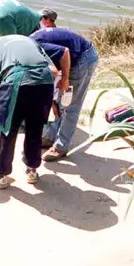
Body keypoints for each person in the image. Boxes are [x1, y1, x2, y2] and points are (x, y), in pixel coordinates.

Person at [0, 35, 56, 189]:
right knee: (35, 127)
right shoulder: (29, 41)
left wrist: (5, 103)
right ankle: (32, 170)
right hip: (45, 80)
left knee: (3, 126)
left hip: (17, 78)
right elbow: (53, 70)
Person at [29, 20, 100, 162]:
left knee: (71, 104)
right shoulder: (29, 47)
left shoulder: (36, 47)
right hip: (70, 57)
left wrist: (65, 80)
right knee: (60, 102)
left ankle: (61, 147)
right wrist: (53, 100)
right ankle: (51, 137)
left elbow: (65, 53)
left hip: (82, 58)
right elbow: (52, 73)